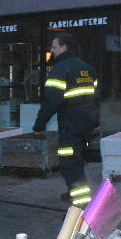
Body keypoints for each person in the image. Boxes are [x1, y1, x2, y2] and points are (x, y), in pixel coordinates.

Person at [32, 32, 99, 207]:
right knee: (76, 158)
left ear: (64, 47)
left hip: (71, 124)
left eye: (54, 47)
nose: (51, 51)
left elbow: (51, 102)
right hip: (87, 124)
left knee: (69, 163)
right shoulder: (88, 69)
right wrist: (96, 122)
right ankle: (73, 192)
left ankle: (81, 208)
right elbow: (96, 97)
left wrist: (38, 126)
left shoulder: (60, 70)